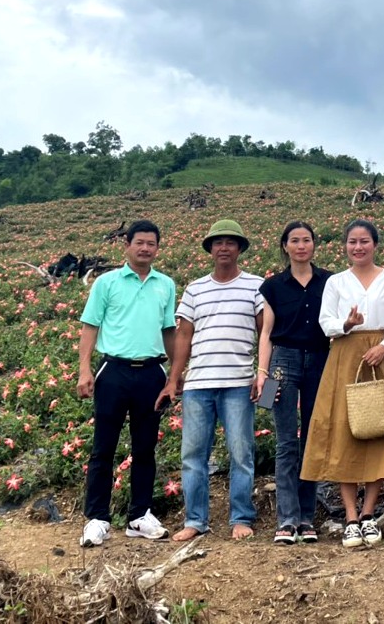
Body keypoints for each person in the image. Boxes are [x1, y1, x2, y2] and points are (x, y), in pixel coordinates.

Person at [155, 219, 263, 542]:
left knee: (241, 454)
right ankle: (195, 520)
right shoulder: (195, 288)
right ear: (210, 249)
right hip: (198, 385)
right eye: (218, 242)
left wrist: (264, 375)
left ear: (240, 249)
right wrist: (174, 380)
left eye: (231, 242)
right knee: (193, 456)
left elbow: (265, 333)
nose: (224, 248)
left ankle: (241, 517)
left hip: (239, 383)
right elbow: (183, 337)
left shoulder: (256, 286)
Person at [300, 219, 384, 548]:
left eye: (364, 241)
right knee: (346, 430)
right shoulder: (336, 282)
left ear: (375, 244)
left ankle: (370, 513)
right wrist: (346, 324)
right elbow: (325, 321)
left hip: (380, 356)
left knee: (378, 428)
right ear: (345, 246)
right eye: (352, 242)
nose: (358, 247)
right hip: (345, 355)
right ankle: (351, 516)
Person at [76, 219, 177, 547]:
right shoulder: (106, 283)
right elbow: (90, 326)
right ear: (127, 245)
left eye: (151, 244)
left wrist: (174, 375)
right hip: (113, 371)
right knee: (103, 447)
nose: (145, 248)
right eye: (140, 243)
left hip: (151, 373)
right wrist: (84, 370)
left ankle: (139, 515)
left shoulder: (166, 285)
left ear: (157, 248)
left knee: (145, 448)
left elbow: (168, 332)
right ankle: (97, 518)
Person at [255, 221, 333, 545]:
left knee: (313, 438)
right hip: (283, 362)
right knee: (287, 440)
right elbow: (266, 332)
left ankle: (306, 517)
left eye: (306, 240)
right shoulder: (273, 286)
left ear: (314, 245)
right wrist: (262, 373)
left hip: (319, 359)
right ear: (284, 246)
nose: (301, 246)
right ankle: (286, 521)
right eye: (294, 240)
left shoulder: (330, 281)